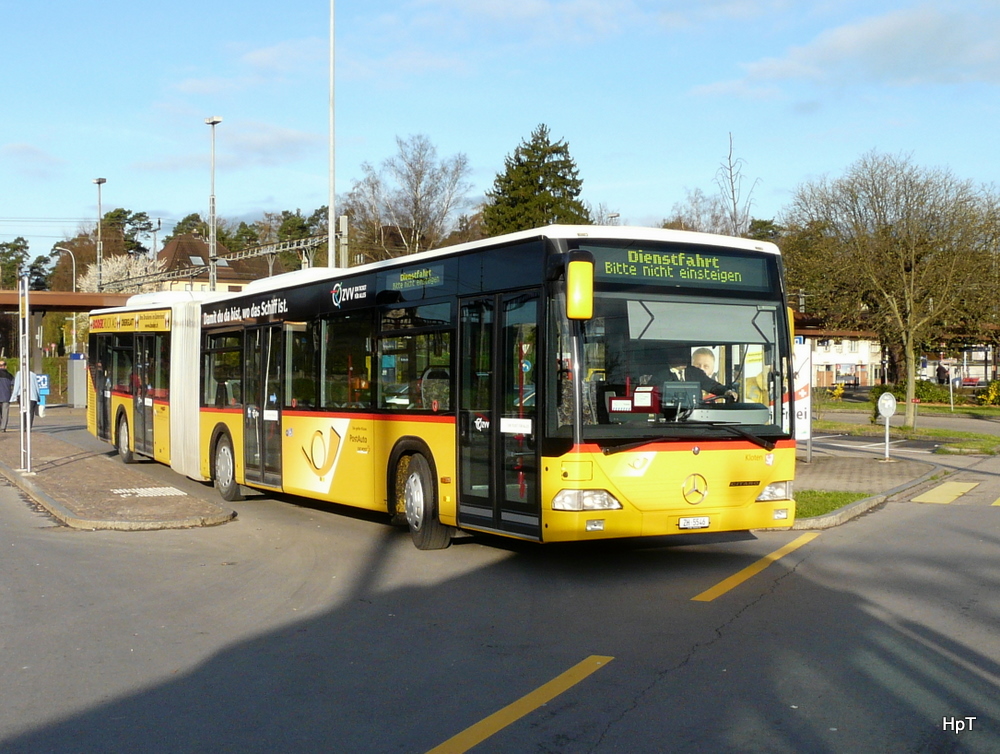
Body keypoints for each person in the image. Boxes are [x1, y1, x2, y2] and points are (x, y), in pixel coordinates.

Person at [0, 360, 13, 432]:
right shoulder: (10, 376)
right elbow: (14, 385)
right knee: (5, 413)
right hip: (6, 396)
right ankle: (3, 427)